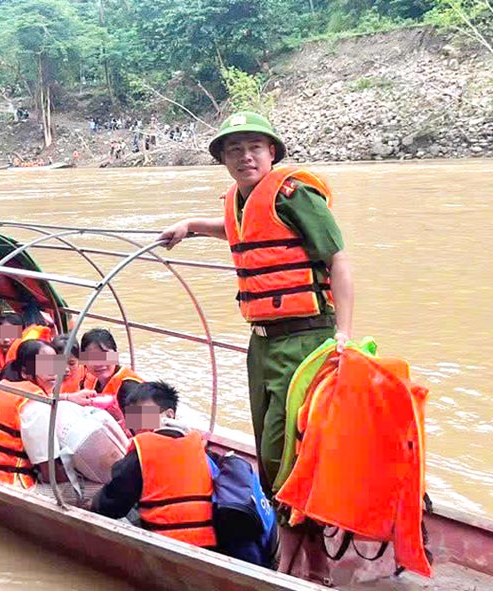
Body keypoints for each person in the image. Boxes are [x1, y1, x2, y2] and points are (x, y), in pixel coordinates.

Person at [157, 111, 354, 582]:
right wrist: (189, 225)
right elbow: (241, 232)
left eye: (254, 147)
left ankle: (302, 563)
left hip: (307, 338)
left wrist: (343, 335)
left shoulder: (295, 195)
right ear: (223, 160)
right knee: (270, 453)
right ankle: (301, 555)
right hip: (262, 345)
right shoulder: (240, 202)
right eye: (234, 149)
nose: (245, 156)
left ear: (272, 153)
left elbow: (339, 260)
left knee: (288, 451)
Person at [90, 381, 216, 549]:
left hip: (166, 545)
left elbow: (110, 507)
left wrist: (91, 505)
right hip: (208, 542)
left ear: (169, 415)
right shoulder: (197, 444)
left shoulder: (144, 449)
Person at [0, 340, 69, 489]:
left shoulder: (2, 387)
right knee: (88, 492)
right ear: (25, 372)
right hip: (9, 483)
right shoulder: (35, 404)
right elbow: (50, 472)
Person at [80, 328, 143, 419]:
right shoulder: (89, 379)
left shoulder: (130, 387)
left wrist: (121, 420)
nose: (99, 363)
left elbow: (149, 426)